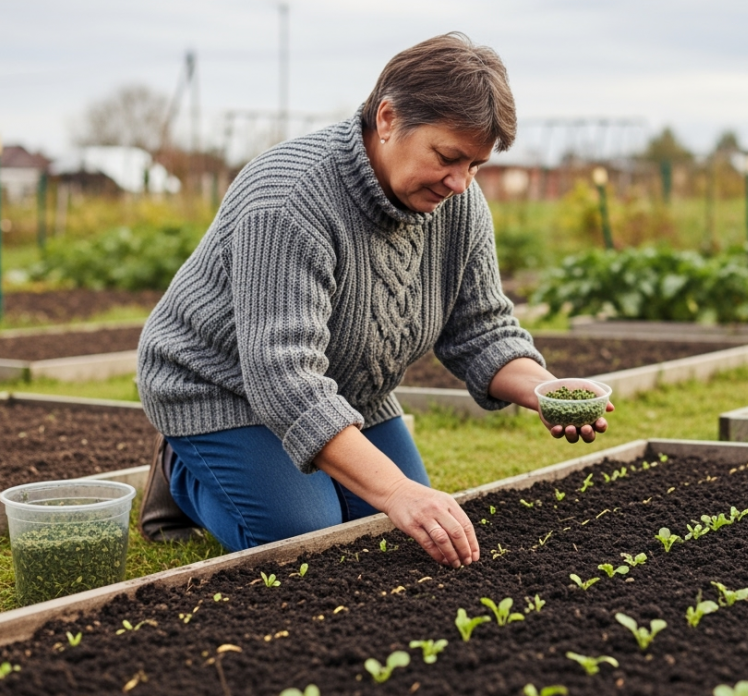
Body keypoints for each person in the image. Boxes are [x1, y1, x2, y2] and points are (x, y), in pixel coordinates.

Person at [136, 32, 611, 568]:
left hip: (345, 388)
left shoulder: (457, 203)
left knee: (395, 534)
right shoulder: (288, 198)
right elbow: (282, 375)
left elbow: (481, 328)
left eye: (475, 165)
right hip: (222, 385)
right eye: (448, 156)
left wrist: (545, 389)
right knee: (305, 536)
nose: (461, 182)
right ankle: (182, 475)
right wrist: (396, 490)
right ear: (387, 118)